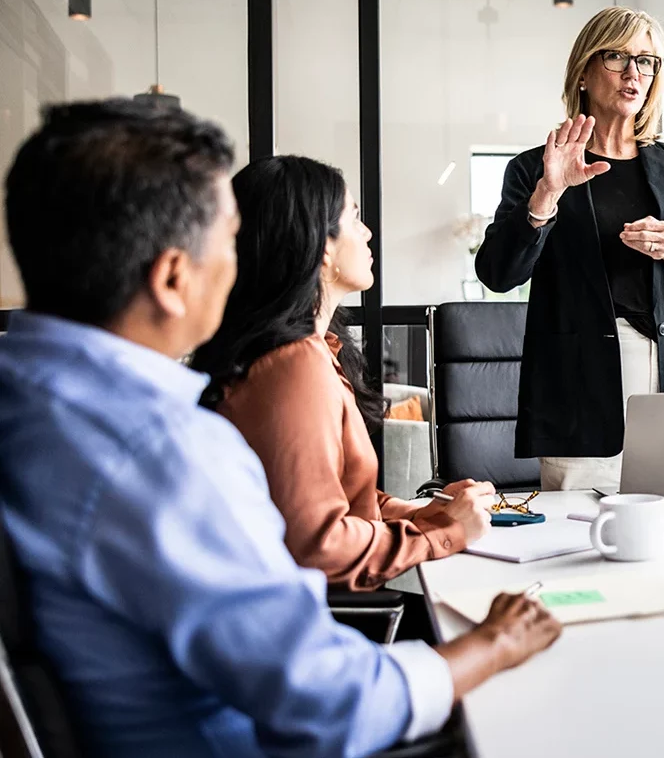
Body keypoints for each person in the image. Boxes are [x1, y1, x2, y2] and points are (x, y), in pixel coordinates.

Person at [0, 99, 559, 757]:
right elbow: (329, 701)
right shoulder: (165, 452)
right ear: (174, 278)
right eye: (230, 240)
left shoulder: (30, 397)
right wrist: (494, 642)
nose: (243, 262)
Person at [189, 155, 494, 592]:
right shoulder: (293, 366)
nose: (368, 232)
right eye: (354, 217)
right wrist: (443, 533)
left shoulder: (314, 352)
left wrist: (419, 513)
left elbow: (330, 499)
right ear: (323, 245)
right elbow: (318, 545)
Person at [477, 6, 664, 491]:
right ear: (584, 70)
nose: (634, 72)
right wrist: (546, 196)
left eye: (647, 61)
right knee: (580, 542)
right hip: (581, 387)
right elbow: (497, 273)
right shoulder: (537, 166)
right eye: (617, 56)